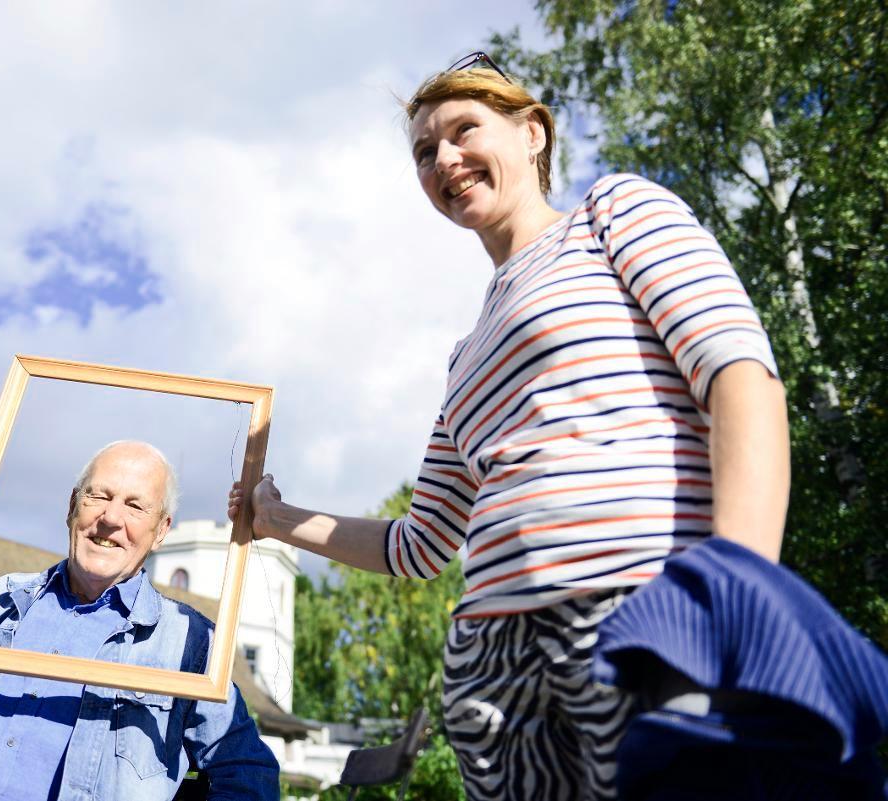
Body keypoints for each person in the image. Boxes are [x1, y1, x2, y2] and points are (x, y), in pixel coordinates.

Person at [229, 53, 789, 801]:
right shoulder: (464, 357)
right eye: (425, 151)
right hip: (492, 667)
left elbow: (738, 376)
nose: (444, 159)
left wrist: (741, 588)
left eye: (464, 130)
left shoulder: (613, 215)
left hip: (641, 612)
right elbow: (419, 544)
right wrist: (275, 518)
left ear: (533, 134)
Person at [0, 440, 279, 801]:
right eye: (99, 496)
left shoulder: (188, 644)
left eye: (135, 506)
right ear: (73, 505)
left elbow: (247, 771)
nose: (111, 518)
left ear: (161, 531)